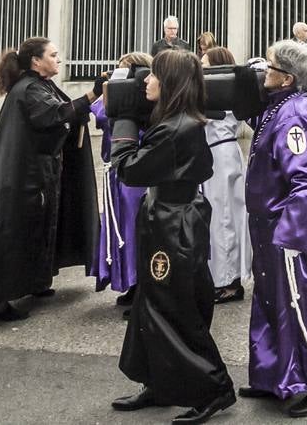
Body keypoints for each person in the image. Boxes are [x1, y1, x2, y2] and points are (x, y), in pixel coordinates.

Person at [109, 50, 237, 425]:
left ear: (170, 84)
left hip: (173, 222)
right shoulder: (176, 120)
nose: (146, 82)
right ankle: (159, 381)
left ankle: (214, 387)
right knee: (153, 301)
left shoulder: (176, 127)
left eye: (153, 77)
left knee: (174, 306)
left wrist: (124, 125)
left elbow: (130, 170)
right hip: (169, 216)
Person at [0, 38, 101, 322]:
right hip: (23, 178)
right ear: (36, 62)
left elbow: (60, 114)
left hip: (36, 173)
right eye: (53, 55)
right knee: (13, 233)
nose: (59, 59)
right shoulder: (30, 89)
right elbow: (55, 114)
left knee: (39, 229)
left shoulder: (38, 85)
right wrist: (92, 95)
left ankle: (35, 281)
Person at [242, 39, 307, 417]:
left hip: (290, 229)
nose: (263, 72)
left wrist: (291, 234)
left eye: (269, 67)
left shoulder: (295, 114)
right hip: (270, 225)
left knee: (300, 305)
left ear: (285, 78)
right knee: (272, 302)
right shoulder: (278, 106)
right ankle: (276, 374)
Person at [94, 51, 152, 309]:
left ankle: (141, 284)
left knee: (132, 229)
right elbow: (99, 114)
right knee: (120, 228)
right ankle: (130, 282)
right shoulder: (120, 100)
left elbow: (105, 115)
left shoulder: (142, 104)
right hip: (116, 172)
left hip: (134, 174)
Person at [200, 46, 252, 304]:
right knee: (217, 217)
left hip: (221, 156)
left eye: (206, 63)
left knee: (224, 218)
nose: (202, 66)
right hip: (216, 155)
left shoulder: (225, 90)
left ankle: (228, 281)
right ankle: (219, 276)